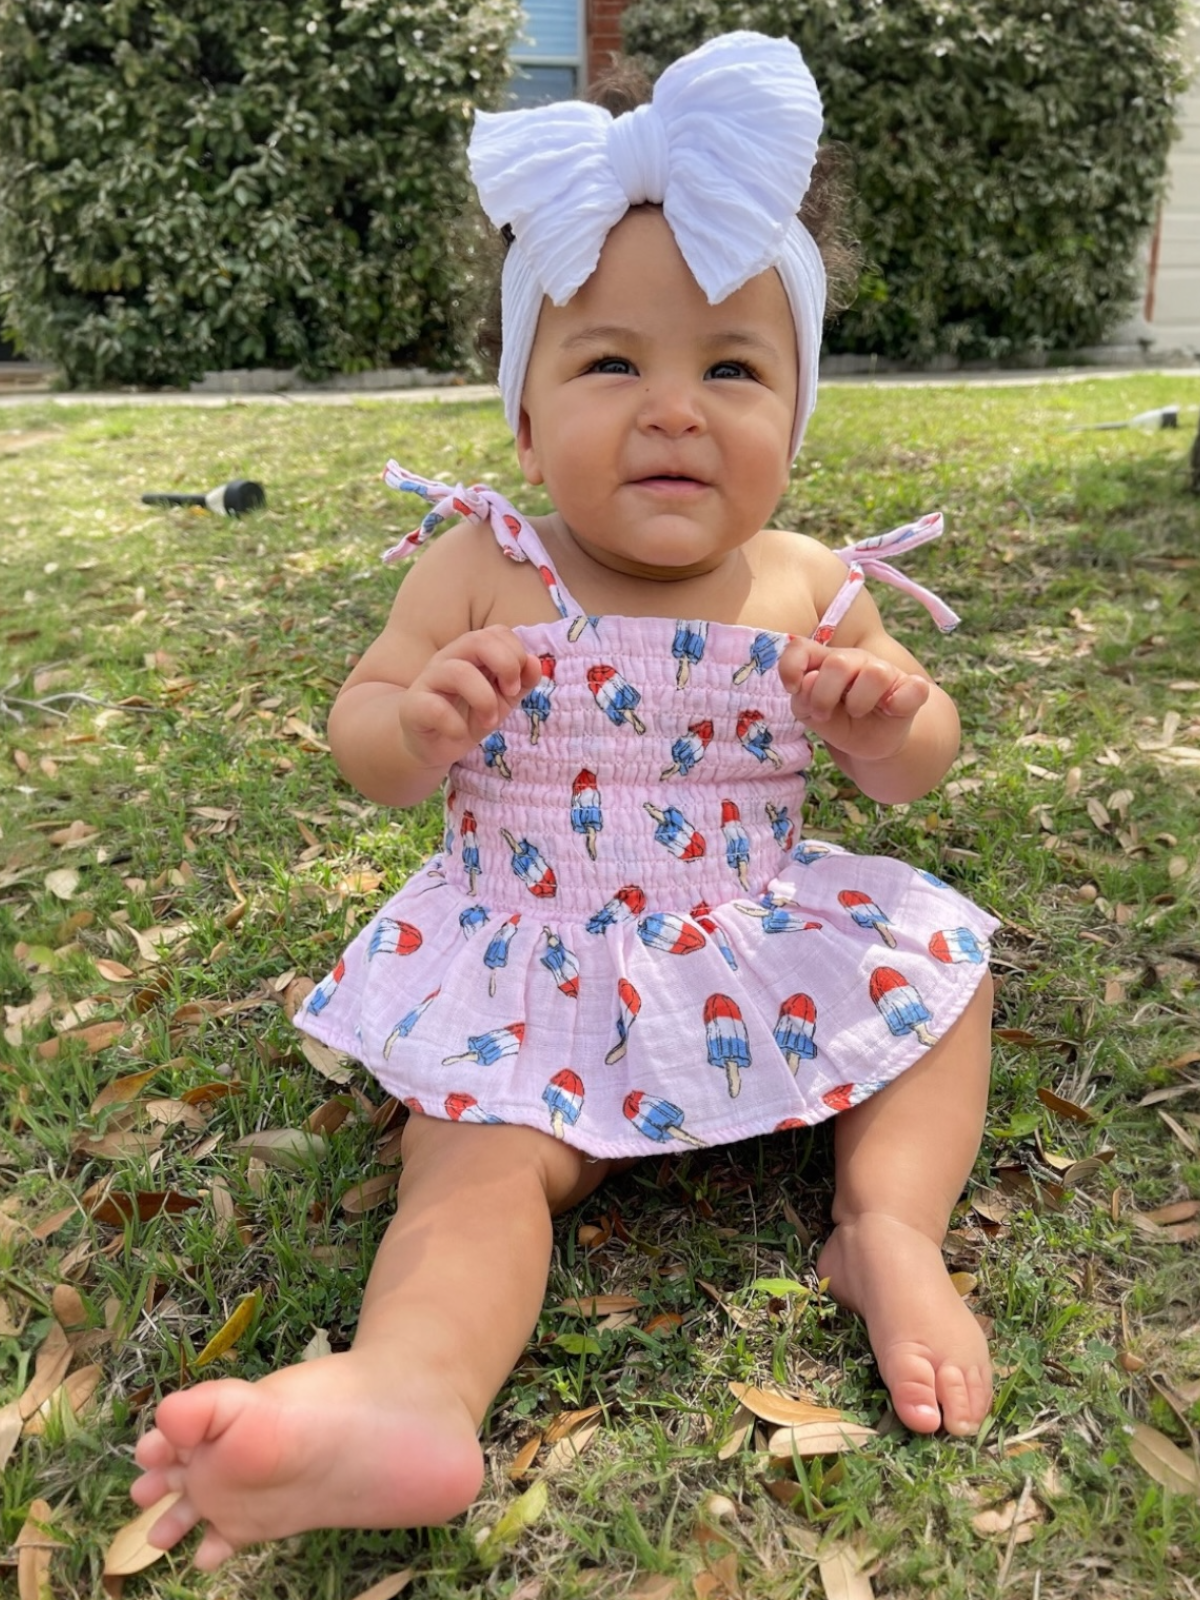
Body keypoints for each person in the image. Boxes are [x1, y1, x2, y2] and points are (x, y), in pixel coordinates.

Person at [130, 31, 998, 1568]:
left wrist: (888, 714)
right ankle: (413, 1387)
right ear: (525, 418)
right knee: (468, 1168)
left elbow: (917, 763)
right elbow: (362, 739)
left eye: (733, 368)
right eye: (613, 363)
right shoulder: (486, 566)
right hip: (536, 967)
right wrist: (420, 714)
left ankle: (890, 1234)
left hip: (755, 947)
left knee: (942, 985)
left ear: (795, 417)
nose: (676, 409)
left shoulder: (809, 582)